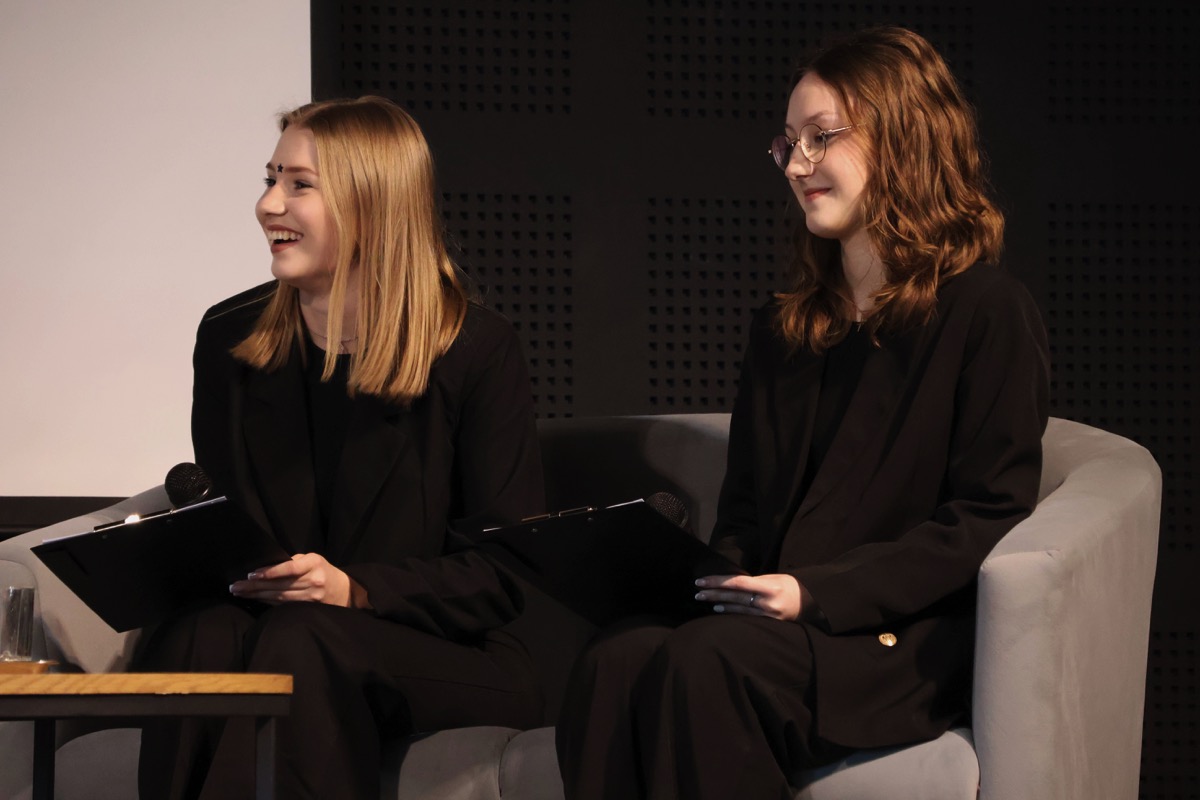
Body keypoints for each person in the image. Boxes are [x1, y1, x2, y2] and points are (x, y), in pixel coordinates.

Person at [556, 25, 1050, 799]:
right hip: (774, 620)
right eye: (788, 143)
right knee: (614, 660)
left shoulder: (986, 311)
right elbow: (746, 512)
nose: (796, 164)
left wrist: (814, 592)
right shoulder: (784, 327)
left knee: (706, 663)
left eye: (821, 137)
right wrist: (714, 581)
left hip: (896, 640)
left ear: (903, 138)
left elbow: (985, 517)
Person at [132, 96, 546, 799]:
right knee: (200, 635)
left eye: (300, 185)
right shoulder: (230, 337)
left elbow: (503, 575)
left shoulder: (473, 348)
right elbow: (231, 535)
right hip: (281, 628)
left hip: (444, 646)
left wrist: (353, 590)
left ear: (372, 203)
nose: (268, 205)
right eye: (270, 179)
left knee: (305, 636)